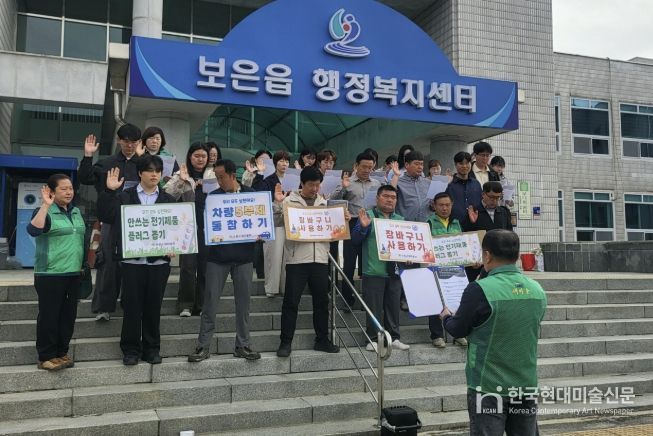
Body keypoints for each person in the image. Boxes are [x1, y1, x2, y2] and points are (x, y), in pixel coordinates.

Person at [440, 230, 547, 435]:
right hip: (525, 383)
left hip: (488, 385)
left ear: (487, 255)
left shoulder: (479, 289)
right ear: (516, 255)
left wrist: (446, 317)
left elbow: (458, 329)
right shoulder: (537, 290)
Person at [98, 155, 176, 365]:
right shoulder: (125, 196)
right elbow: (105, 215)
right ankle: (130, 350)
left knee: (153, 308)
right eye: (150, 170)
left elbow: (175, 229)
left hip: (159, 263)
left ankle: (151, 349)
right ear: (140, 173)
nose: (154, 174)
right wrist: (109, 191)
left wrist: (175, 245)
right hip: (132, 262)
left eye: (157, 171)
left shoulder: (168, 199)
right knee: (132, 307)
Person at [188, 159, 261, 362]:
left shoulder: (251, 195)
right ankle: (203, 346)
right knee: (210, 303)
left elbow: (260, 221)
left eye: (221, 177)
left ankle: (243, 345)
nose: (219, 181)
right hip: (218, 258)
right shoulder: (213, 197)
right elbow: (205, 224)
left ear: (232, 175)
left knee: (243, 305)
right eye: (217, 178)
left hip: (244, 257)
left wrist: (261, 233)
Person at [274, 167, 344, 357]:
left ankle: (322, 340)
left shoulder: (325, 204)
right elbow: (276, 223)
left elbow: (335, 232)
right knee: (291, 302)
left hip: (320, 259)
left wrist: (342, 221)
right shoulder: (289, 201)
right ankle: (285, 342)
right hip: (296, 260)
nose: (314, 189)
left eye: (317, 185)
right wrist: (278, 204)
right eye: (311, 185)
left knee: (321, 302)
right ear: (302, 184)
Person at [78, 123, 143, 322]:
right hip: (111, 220)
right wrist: (88, 156)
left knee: (136, 265)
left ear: (139, 142)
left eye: (133, 142)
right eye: (126, 142)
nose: (130, 146)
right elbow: (85, 178)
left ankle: (131, 305)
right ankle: (104, 307)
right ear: (119, 141)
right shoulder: (107, 163)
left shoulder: (144, 164)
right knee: (108, 264)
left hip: (137, 221)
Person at [27, 174, 85, 371]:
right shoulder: (45, 211)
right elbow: (33, 230)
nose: (69, 192)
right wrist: (45, 205)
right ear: (51, 191)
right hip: (50, 274)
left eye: (71, 188)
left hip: (73, 273)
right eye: (63, 189)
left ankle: (61, 352)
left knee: (68, 316)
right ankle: (46, 356)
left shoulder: (76, 211)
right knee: (49, 316)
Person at [351, 185, 410, 352]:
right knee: (374, 308)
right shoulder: (367, 216)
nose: (390, 200)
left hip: (395, 271)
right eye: (386, 196)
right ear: (377, 198)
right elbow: (354, 240)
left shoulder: (400, 220)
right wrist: (363, 227)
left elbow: (406, 246)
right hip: (373, 270)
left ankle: (394, 338)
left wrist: (409, 257)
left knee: (393, 307)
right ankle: (373, 339)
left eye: (393, 197)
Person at [331, 152, 381, 310]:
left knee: (368, 262)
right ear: (356, 166)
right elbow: (332, 201)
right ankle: (347, 298)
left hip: (370, 223)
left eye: (370, 167)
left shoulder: (377, 183)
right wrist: (343, 188)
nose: (367, 170)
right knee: (349, 263)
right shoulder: (347, 182)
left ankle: (367, 299)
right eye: (364, 166)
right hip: (352, 223)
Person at [164, 142, 209, 317]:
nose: (200, 159)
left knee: (205, 267)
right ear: (190, 157)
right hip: (187, 227)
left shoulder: (213, 175)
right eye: (197, 156)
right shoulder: (181, 174)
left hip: (208, 228)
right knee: (188, 267)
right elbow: (167, 196)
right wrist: (181, 181)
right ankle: (186, 305)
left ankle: (202, 304)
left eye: (203, 156)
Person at [426, 192, 468, 348]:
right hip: (435, 270)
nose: (444, 208)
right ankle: (437, 335)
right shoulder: (428, 224)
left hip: (455, 271)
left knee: (457, 302)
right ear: (434, 206)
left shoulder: (456, 223)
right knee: (436, 302)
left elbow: (464, 246)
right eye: (441, 205)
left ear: (452, 205)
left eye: (447, 205)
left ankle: (458, 334)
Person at [253, 150, 291, 297]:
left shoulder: (293, 180)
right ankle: (271, 288)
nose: (284, 164)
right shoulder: (268, 179)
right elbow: (258, 194)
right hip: (273, 222)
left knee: (287, 258)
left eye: (286, 161)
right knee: (273, 256)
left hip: (289, 222)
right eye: (281, 161)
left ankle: (285, 287)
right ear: (275, 163)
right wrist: (259, 173)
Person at [392, 150, 431, 223]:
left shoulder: (428, 183)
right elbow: (390, 196)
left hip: (426, 225)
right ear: (407, 165)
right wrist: (396, 175)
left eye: (422, 164)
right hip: (405, 225)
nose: (420, 167)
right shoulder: (398, 182)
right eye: (416, 164)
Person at [445, 151, 482, 223]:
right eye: (461, 163)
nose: (464, 166)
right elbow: (433, 204)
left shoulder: (476, 184)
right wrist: (444, 185)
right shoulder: (448, 183)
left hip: (474, 224)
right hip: (453, 225)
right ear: (455, 165)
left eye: (467, 163)